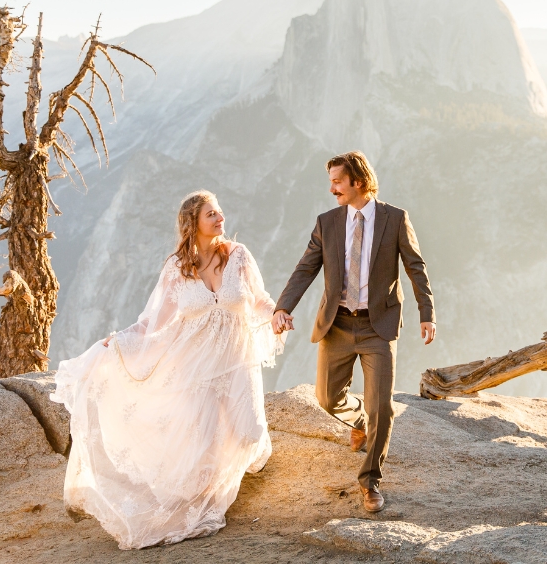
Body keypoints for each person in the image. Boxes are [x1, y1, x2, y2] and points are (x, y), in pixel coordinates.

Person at [51, 191, 285, 550]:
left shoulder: (238, 256)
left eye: (220, 212)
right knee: (202, 443)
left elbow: (259, 299)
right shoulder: (178, 268)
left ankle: (220, 482)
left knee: (249, 432)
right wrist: (118, 342)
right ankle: (203, 502)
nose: (220, 218)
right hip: (194, 366)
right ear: (193, 223)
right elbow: (152, 323)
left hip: (236, 362)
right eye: (211, 214)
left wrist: (277, 315)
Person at [271, 151, 435, 514]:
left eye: (337, 182)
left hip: (379, 326)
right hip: (338, 325)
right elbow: (305, 267)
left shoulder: (395, 219)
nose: (332, 189)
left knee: (383, 408)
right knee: (327, 398)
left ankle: (370, 481)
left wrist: (427, 313)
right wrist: (283, 307)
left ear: (357, 181)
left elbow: (415, 267)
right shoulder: (327, 222)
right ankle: (359, 420)